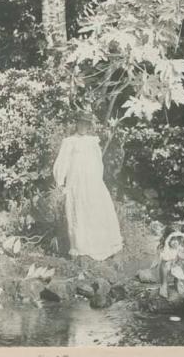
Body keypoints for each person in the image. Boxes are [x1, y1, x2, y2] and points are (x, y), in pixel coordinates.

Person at [53, 110, 123, 261]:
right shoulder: (69, 142)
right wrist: (60, 182)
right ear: (76, 123)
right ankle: (81, 249)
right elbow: (62, 162)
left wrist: (97, 180)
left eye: (86, 124)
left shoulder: (92, 141)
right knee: (78, 213)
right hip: (76, 183)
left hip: (92, 182)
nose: (83, 126)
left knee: (96, 212)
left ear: (89, 125)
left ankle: (100, 248)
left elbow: (98, 162)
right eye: (81, 123)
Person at [154, 226, 184, 298]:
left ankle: (177, 282)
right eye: (172, 239)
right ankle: (163, 285)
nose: (176, 242)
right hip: (162, 270)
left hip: (173, 268)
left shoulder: (180, 246)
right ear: (167, 238)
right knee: (166, 262)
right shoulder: (163, 247)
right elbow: (166, 258)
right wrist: (167, 241)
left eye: (178, 238)